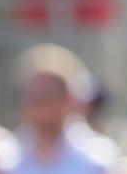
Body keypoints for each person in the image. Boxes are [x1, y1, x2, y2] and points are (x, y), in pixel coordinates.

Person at [8, 43, 119, 174]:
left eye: (48, 95)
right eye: (32, 96)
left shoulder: (99, 158)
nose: (39, 104)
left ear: (69, 99)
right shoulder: (6, 158)